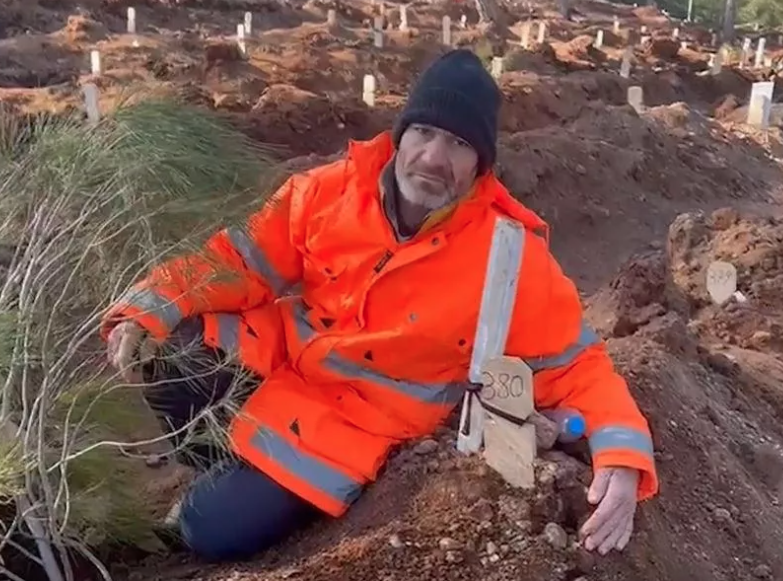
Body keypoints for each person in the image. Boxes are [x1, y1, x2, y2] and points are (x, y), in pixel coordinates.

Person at [102, 49, 659, 563]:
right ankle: (231, 468)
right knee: (170, 349)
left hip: (352, 426)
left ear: (481, 164)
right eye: (425, 132)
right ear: (400, 134)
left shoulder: (508, 255)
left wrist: (622, 455)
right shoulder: (328, 191)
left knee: (206, 529)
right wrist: (156, 302)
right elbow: (240, 262)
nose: (434, 158)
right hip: (286, 364)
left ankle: (244, 494)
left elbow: (576, 364)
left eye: (458, 144)